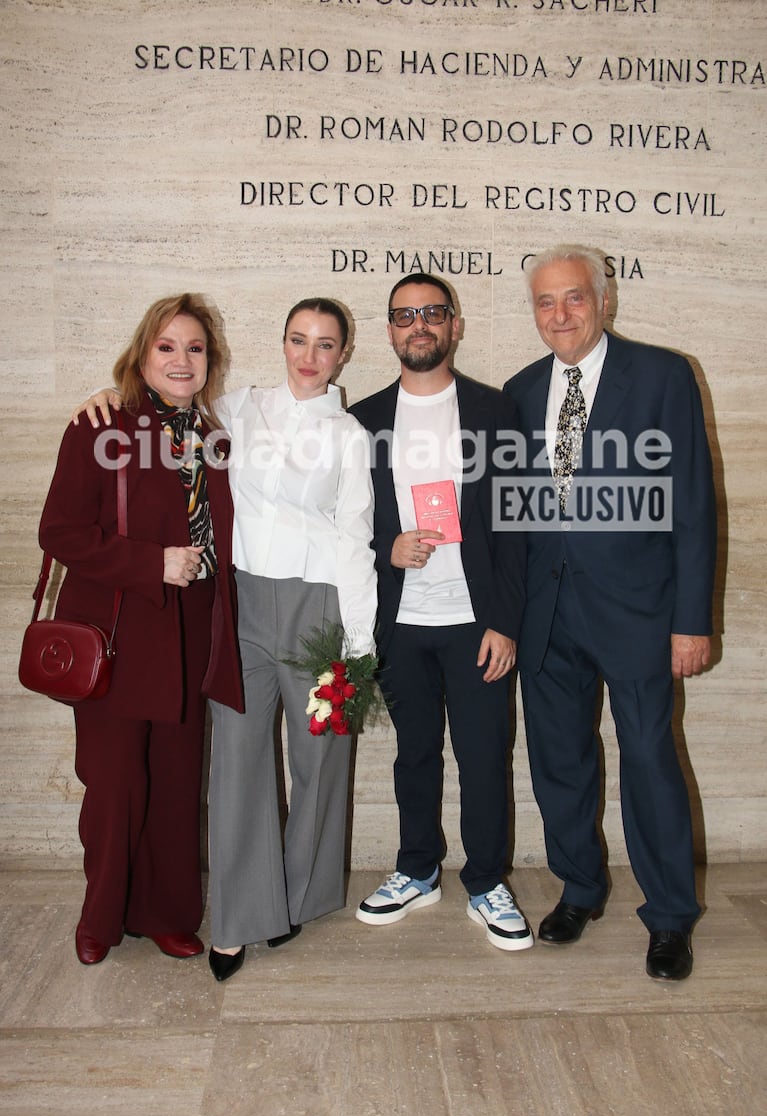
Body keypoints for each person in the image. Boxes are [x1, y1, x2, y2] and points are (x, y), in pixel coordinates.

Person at [76, 298, 378, 982]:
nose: (309, 354)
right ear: (281, 341)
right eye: (298, 338)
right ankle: (241, 918)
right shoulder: (237, 410)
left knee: (322, 757)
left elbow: (356, 541)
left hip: (320, 610)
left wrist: (357, 647)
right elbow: (158, 409)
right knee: (238, 762)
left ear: (342, 354)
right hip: (240, 607)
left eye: (325, 344)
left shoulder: (350, 436)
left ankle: (300, 897)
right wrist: (103, 395)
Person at [503, 244, 717, 981]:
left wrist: (691, 620)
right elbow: (516, 513)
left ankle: (668, 917)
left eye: (572, 298)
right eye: (544, 302)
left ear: (603, 300)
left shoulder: (661, 376)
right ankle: (580, 887)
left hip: (638, 613)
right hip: (548, 612)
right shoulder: (521, 389)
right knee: (559, 762)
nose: (559, 314)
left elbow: (691, 504)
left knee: (650, 761)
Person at [40, 294, 243, 966]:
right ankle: (101, 916)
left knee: (178, 784)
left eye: (194, 348)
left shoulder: (214, 436)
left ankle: (169, 913)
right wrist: (150, 562)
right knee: (116, 785)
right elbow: (60, 531)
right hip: (123, 631)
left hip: (190, 633)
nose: (181, 359)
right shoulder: (102, 426)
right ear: (142, 354)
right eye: (166, 346)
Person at [349, 274, 531, 952]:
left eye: (430, 313)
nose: (417, 325)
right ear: (389, 330)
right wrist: (384, 547)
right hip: (400, 623)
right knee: (414, 753)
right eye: (404, 316)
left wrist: (506, 621)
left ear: (453, 324)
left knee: (485, 757)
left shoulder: (494, 409)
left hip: (475, 622)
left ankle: (485, 880)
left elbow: (516, 526)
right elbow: (344, 524)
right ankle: (417, 867)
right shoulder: (363, 419)